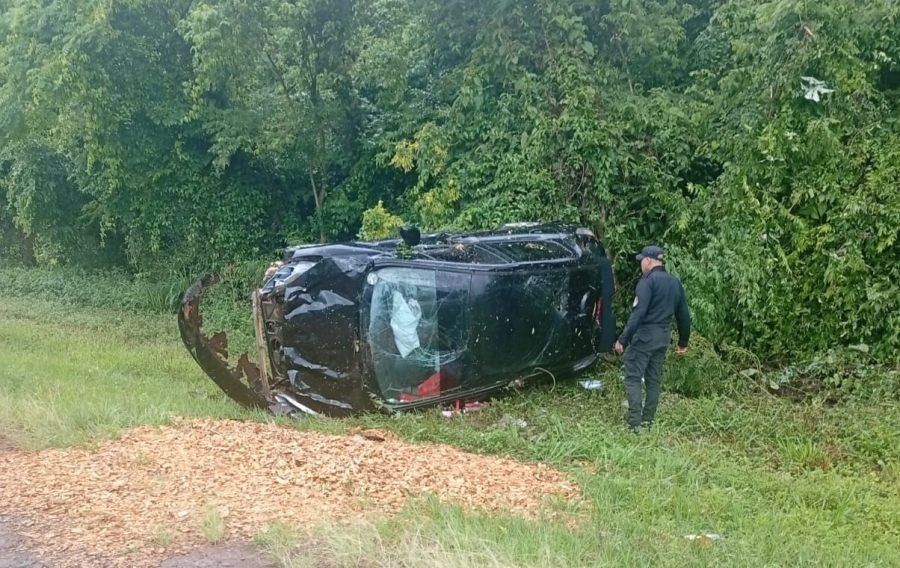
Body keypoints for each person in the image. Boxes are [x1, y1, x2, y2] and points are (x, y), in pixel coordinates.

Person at [615, 245, 691, 433]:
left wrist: (623, 339)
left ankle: (634, 424)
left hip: (645, 336)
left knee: (633, 377)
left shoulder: (647, 282)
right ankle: (648, 421)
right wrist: (683, 342)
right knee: (653, 380)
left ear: (648, 261)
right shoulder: (674, 282)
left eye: (642, 260)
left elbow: (638, 313)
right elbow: (684, 316)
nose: (641, 264)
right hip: (663, 337)